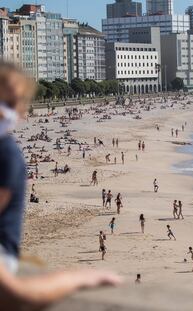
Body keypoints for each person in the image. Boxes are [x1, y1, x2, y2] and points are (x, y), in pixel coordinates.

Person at [0, 62, 121, 310]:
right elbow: (14, 294)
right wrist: (75, 279)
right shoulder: (7, 155)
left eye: (10, 104)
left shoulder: (7, 154)